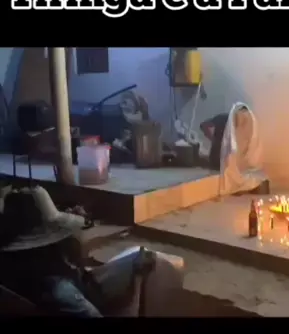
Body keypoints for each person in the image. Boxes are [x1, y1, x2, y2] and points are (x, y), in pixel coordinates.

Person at [0, 185, 184, 317]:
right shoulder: (59, 289)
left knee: (142, 256)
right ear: (50, 243)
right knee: (153, 264)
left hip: (79, 288)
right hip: (76, 298)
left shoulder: (23, 264)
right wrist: (136, 286)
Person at [200, 106, 250, 171]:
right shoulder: (224, 118)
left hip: (223, 161)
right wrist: (212, 138)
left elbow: (203, 125)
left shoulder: (240, 125)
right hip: (219, 161)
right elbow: (203, 125)